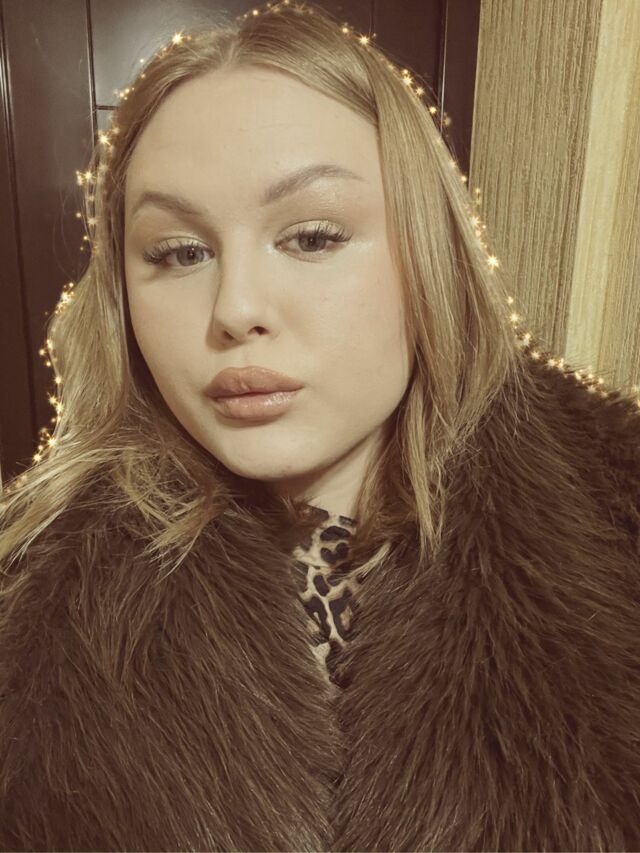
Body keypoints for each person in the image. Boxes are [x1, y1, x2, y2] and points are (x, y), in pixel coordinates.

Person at [0, 2, 639, 850]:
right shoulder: (26, 600)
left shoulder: (618, 518)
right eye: (180, 252)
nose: (236, 309)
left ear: (429, 249)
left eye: (310, 237)